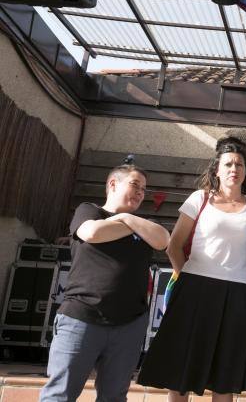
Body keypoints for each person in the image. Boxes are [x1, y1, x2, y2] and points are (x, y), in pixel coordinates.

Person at [138, 140, 246, 401]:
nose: (235, 168)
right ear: (217, 170)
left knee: (225, 374)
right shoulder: (199, 198)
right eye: (228, 164)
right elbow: (174, 245)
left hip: (235, 293)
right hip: (193, 288)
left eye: (240, 164)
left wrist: (235, 277)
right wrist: (185, 277)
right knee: (182, 369)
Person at [40, 163, 169, 402]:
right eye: (135, 185)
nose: (140, 192)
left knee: (114, 397)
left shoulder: (140, 222)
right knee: (60, 395)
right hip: (81, 318)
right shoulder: (89, 210)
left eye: (143, 189)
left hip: (129, 325)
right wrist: (129, 223)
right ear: (112, 184)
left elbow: (163, 240)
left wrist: (127, 218)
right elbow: (92, 233)